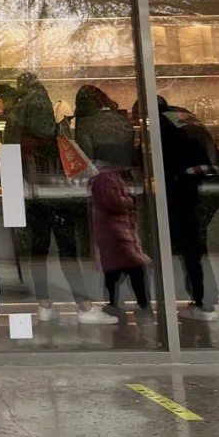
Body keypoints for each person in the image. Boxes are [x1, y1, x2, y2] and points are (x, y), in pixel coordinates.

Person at [4, 75, 118, 325]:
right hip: (56, 193)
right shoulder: (50, 128)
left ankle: (44, 305)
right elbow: (65, 156)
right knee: (68, 250)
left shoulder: (16, 121)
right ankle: (84, 307)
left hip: (32, 192)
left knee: (39, 251)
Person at [76, 86, 153, 320]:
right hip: (127, 183)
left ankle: (113, 303)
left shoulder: (86, 123)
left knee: (110, 251)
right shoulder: (121, 119)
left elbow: (84, 156)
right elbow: (133, 150)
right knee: (130, 245)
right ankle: (143, 303)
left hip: (102, 184)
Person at [157, 96, 219, 321]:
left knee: (192, 244)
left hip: (192, 182)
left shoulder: (161, 123)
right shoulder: (183, 115)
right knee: (198, 242)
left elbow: (162, 158)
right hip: (218, 178)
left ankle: (205, 303)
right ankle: (207, 299)